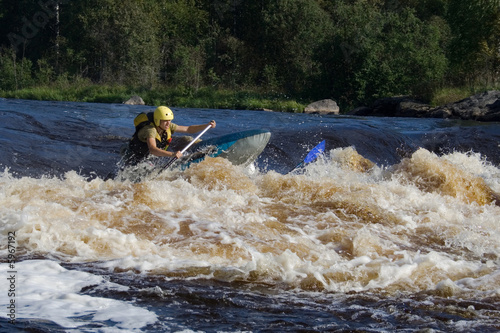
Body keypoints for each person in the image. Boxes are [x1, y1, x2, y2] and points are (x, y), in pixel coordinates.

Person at [123, 106, 216, 166]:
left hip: (149, 157)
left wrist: (207, 125)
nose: (168, 123)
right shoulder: (150, 130)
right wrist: (172, 154)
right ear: (157, 120)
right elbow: (152, 149)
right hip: (134, 155)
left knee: (150, 164)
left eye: (170, 120)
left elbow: (188, 129)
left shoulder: (168, 126)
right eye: (165, 120)